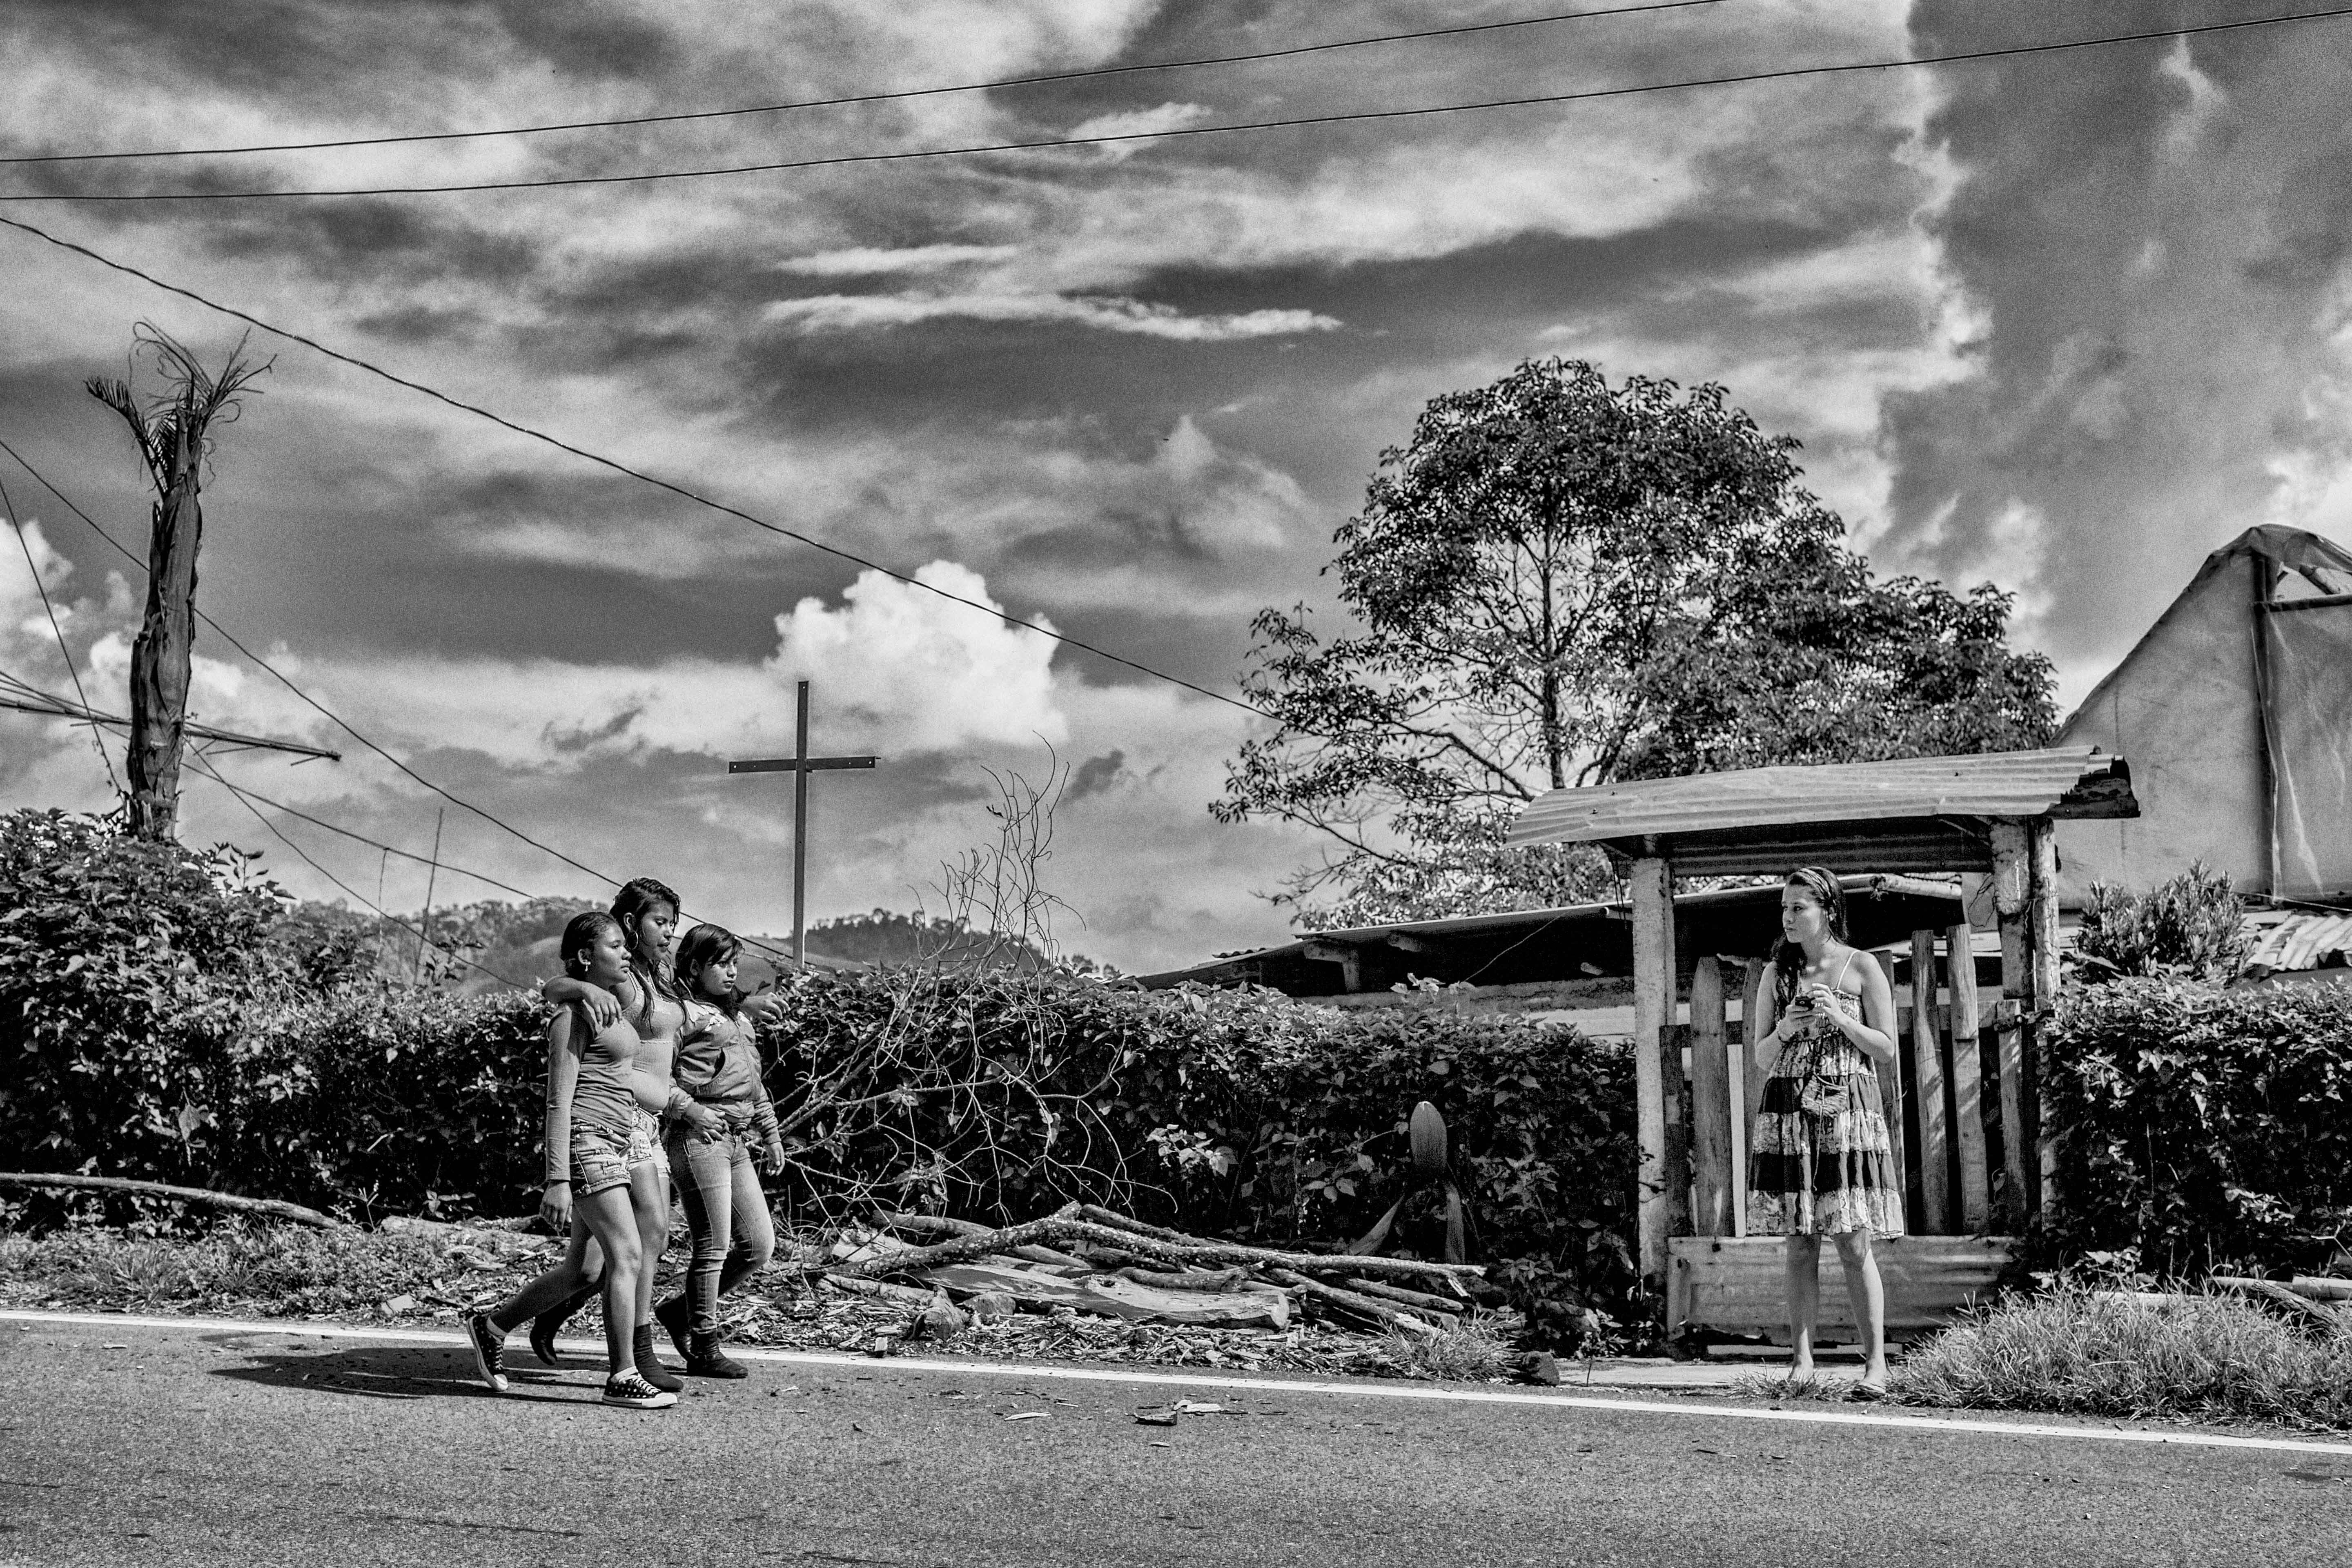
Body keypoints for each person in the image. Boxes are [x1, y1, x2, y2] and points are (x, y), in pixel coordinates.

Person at [462, 911, 710, 1409]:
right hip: (586, 1141)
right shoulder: (573, 1015)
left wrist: (576, 987)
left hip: (617, 1140)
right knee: (629, 1254)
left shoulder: (607, 1002)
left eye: (624, 946)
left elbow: (560, 991)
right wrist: (557, 1178)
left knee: (584, 1272)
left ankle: (491, 1326)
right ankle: (622, 1375)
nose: (624, 954)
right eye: (614, 947)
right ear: (584, 957)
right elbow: (558, 1098)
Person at [529, 878, 694, 1391]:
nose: (669, 931)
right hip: (619, 1114)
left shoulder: (659, 973)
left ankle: (540, 1315)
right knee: (639, 1243)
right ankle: (633, 1358)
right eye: (660, 921)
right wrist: (578, 985)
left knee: (594, 1260)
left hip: (639, 1114)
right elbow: (557, 989)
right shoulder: (611, 976)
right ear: (629, 923)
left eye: (672, 922)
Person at [1746, 866, 1904, 1397]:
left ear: (1828, 911)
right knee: (1799, 1242)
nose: (1788, 918)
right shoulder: (1778, 974)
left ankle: (1877, 1365)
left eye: (1799, 908)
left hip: (1847, 1113)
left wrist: (1842, 1018)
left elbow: (1886, 1049)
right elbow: (1760, 1059)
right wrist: (1787, 1027)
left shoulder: (1862, 967)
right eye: (1784, 909)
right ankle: (1803, 1362)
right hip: (1789, 1111)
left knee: (1854, 1239)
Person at [652, 924, 787, 1378]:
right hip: (698, 1140)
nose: (733, 973)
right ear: (694, 967)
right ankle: (704, 1343)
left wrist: (770, 1136)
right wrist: (692, 1112)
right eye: (722, 964)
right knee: (714, 1246)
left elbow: (753, 1084)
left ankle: (679, 1312)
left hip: (736, 1141)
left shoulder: (738, 1018)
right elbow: (655, 1080)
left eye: (736, 964)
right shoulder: (680, 1017)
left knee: (758, 1246)